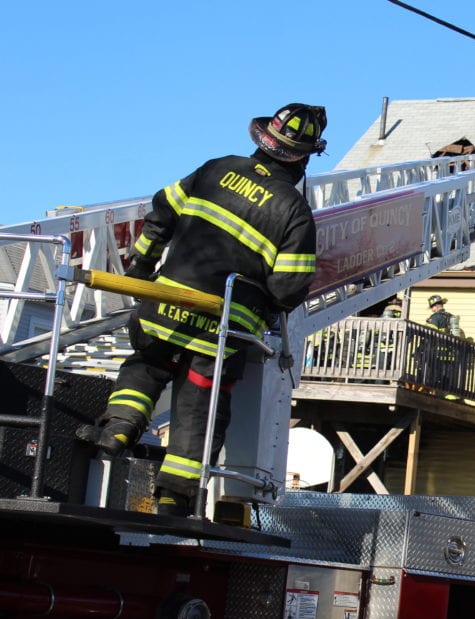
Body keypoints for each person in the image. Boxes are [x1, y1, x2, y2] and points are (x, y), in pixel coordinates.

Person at [76, 103, 327, 517]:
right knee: (200, 405)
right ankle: (173, 500)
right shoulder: (294, 211)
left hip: (165, 305)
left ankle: (117, 429)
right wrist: (268, 304)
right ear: (304, 157)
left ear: (262, 139)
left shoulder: (215, 169)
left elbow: (161, 213)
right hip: (221, 326)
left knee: (146, 365)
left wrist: (141, 266)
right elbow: (288, 286)